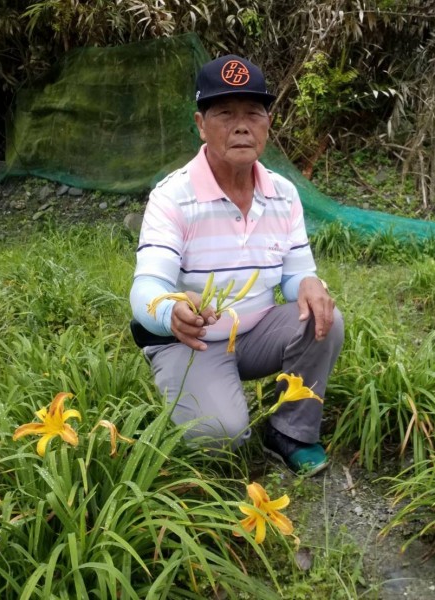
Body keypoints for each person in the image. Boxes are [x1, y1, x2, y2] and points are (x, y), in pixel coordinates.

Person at [129, 54, 344, 476]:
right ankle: (211, 401)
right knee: (220, 436)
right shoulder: (174, 196)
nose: (241, 125)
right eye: (225, 113)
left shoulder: (282, 194)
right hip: (191, 338)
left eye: (253, 113)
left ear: (267, 124)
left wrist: (309, 283)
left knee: (324, 318)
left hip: (255, 333)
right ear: (200, 124)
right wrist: (171, 309)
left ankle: (291, 433)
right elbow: (146, 287)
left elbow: (295, 273)